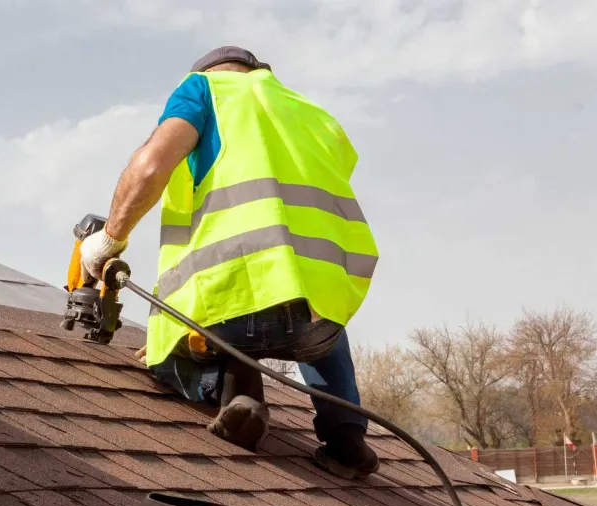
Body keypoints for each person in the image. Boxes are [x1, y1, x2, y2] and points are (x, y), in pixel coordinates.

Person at [79, 46, 381, 479]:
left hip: (231, 312)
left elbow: (149, 169)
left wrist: (109, 240)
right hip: (321, 314)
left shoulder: (204, 91)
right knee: (316, 314)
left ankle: (240, 393)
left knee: (171, 353)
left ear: (211, 74)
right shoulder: (310, 112)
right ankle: (347, 436)